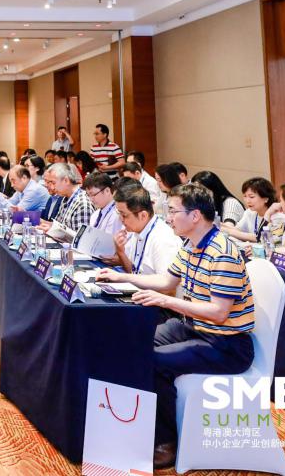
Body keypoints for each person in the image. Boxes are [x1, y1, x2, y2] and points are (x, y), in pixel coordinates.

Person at [100, 183, 254, 469]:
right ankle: (131, 423)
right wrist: (121, 277)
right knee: (132, 342)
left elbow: (219, 313)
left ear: (195, 216)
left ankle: (165, 442)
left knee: (153, 362)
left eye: (172, 211)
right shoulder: (191, 245)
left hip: (226, 344)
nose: (168, 217)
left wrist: (165, 301)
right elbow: (166, 281)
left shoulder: (222, 252)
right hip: (195, 328)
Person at [108, 183, 182, 275]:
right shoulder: (138, 229)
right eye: (119, 213)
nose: (121, 219)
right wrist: (120, 252)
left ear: (143, 215)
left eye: (124, 215)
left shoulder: (163, 240)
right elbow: (133, 272)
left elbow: (166, 283)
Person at [41, 163, 95, 235]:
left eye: (53, 183)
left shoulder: (82, 204)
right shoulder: (65, 198)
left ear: (66, 180)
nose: (52, 187)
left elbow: (81, 239)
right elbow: (58, 226)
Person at [79, 171, 124, 253]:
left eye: (93, 194)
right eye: (88, 195)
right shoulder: (95, 214)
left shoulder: (118, 214)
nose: (91, 199)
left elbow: (110, 247)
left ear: (107, 191)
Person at [224, 177, 277, 243]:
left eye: (251, 197)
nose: (247, 201)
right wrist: (221, 226)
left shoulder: (277, 216)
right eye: (245, 196)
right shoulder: (249, 212)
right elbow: (238, 230)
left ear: (266, 199)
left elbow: (263, 238)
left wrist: (229, 231)